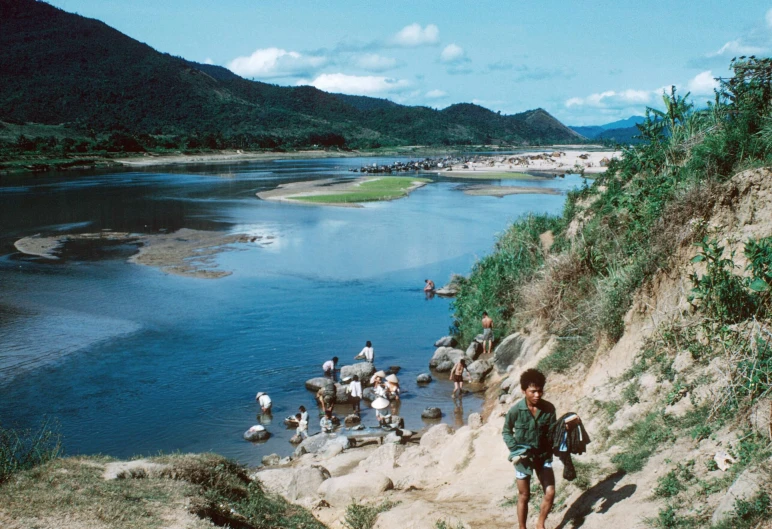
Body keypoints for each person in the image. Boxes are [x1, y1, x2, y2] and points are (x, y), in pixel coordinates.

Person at [502, 369, 557, 529]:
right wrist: (515, 449)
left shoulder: (549, 409)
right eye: (533, 391)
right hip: (523, 459)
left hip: (543, 456)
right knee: (524, 495)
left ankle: (540, 523)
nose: (537, 395)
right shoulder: (515, 411)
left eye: (540, 391)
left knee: (550, 491)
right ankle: (522, 527)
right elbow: (506, 431)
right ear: (524, 391)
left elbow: (553, 432)